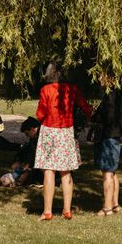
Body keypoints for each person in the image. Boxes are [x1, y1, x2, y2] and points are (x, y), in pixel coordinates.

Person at [35, 63, 92, 221]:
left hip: (49, 131)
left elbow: (40, 114)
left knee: (49, 170)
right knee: (66, 171)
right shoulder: (72, 89)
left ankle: (47, 211)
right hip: (66, 131)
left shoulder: (46, 90)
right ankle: (67, 210)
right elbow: (86, 108)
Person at [91, 71, 122, 216]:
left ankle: (107, 207)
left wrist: (96, 116)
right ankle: (115, 204)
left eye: (101, 75)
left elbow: (109, 116)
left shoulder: (111, 95)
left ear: (109, 78)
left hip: (109, 135)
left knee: (107, 173)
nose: (99, 78)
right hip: (113, 134)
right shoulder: (118, 93)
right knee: (111, 172)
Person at [0, 117, 42, 187]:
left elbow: (35, 155)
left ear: (32, 129)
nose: (27, 136)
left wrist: (27, 168)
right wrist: (19, 161)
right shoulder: (34, 138)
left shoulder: (40, 138)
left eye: (27, 134)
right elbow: (29, 152)